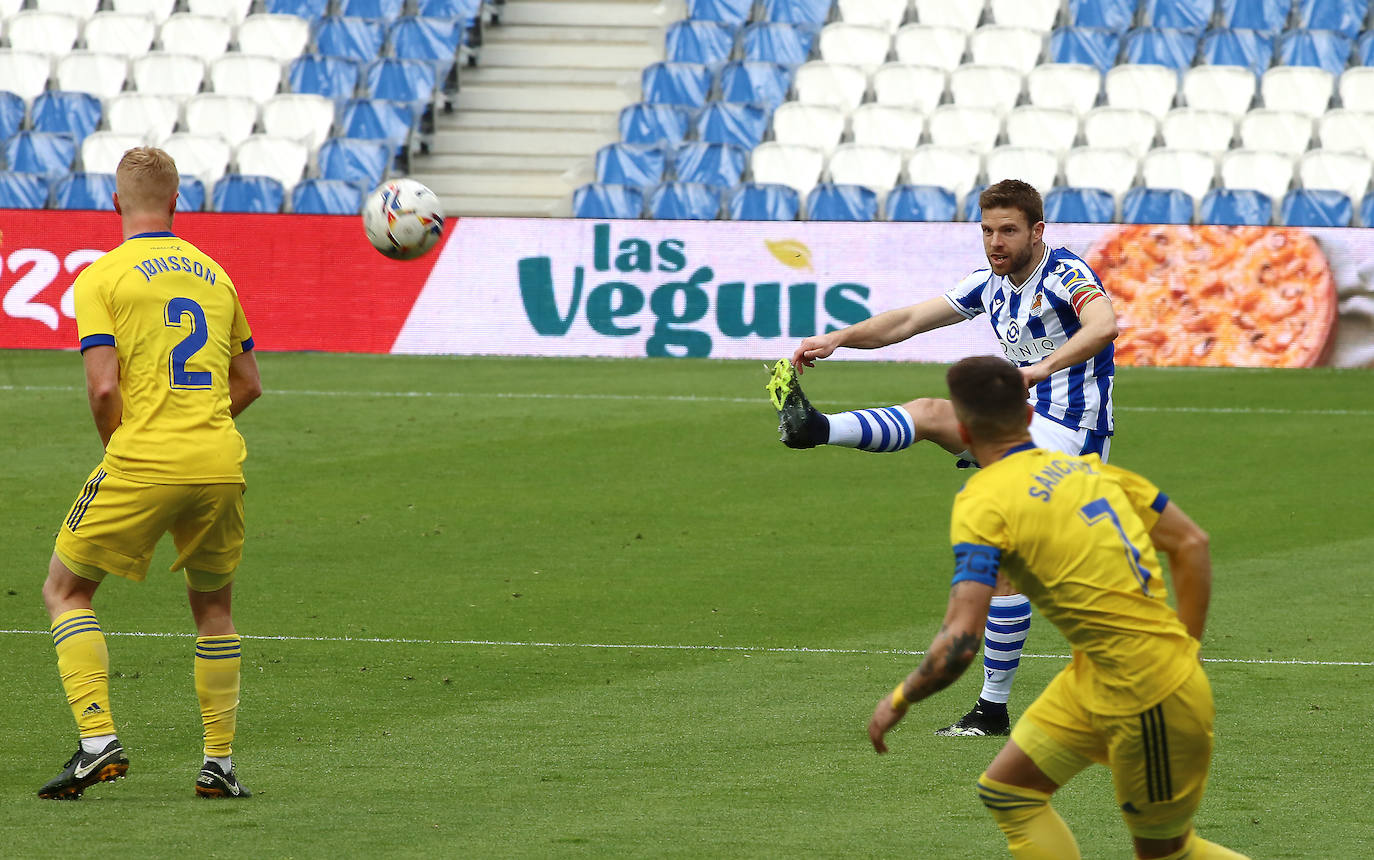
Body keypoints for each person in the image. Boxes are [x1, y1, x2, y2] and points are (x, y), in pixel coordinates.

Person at [766, 179, 1119, 737]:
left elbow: (1105, 323)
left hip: (1073, 434)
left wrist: (1041, 369)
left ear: (1037, 231)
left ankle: (818, 429)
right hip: (1020, 427)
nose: (995, 242)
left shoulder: (1066, 276)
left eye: (1008, 230)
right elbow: (906, 321)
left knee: (936, 417)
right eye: (987, 231)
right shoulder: (991, 284)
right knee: (1006, 569)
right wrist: (837, 337)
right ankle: (993, 710)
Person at [866, 355, 1246, 860]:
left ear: (960, 428)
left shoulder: (982, 501)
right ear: (1028, 418)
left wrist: (900, 699)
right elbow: (1191, 543)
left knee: (1166, 853)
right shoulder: (1093, 471)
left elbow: (960, 640)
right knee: (1009, 792)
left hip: (1147, 691)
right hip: (1094, 679)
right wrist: (1188, 643)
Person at [38, 146, 261, 800]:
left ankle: (98, 741)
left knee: (64, 591)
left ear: (115, 203)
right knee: (214, 608)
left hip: (143, 458)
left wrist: (125, 449)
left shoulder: (103, 276)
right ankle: (218, 764)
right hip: (220, 459)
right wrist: (203, 423)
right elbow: (248, 382)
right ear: (177, 201)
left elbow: (104, 390)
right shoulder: (216, 276)